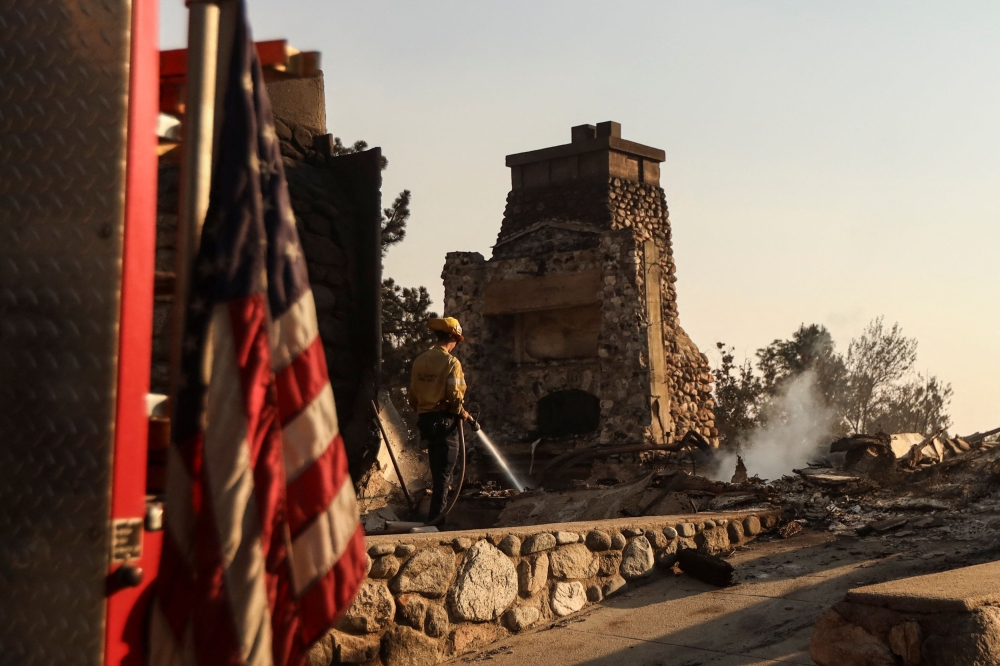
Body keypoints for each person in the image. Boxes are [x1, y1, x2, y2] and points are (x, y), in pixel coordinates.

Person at [408, 317, 472, 521]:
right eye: (457, 341)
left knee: (436, 471)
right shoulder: (451, 363)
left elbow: (412, 395)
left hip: (425, 421)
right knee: (444, 474)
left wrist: (424, 411)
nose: (456, 345)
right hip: (444, 422)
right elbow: (455, 395)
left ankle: (431, 517)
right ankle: (436, 521)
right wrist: (461, 412)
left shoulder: (420, 361)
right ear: (453, 337)